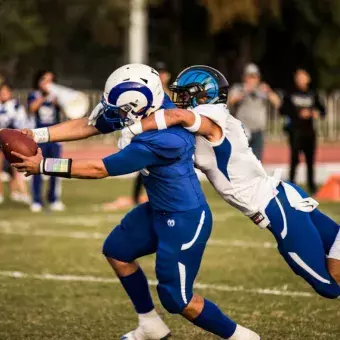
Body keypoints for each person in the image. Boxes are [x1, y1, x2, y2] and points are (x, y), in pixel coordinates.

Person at [14, 64, 259, 340]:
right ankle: (150, 326)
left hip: (184, 219)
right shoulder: (151, 105)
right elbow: (90, 124)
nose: (114, 114)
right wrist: (36, 135)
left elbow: (100, 168)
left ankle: (242, 337)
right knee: (117, 250)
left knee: (177, 300)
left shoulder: (166, 139)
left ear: (138, 106)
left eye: (119, 109)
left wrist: (43, 165)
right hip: (158, 208)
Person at [119, 65, 340, 300]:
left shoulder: (210, 117)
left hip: (277, 209)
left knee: (329, 286)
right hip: (281, 196)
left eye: (184, 94)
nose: (180, 100)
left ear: (202, 95)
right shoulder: (212, 116)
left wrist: (133, 129)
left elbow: (177, 115)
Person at [101, 62, 171, 211]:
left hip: (160, 136)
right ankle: (137, 197)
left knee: (154, 169)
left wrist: (47, 165)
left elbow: (99, 168)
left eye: (164, 72)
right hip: (147, 135)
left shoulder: (166, 97)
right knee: (144, 169)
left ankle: (155, 197)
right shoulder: (147, 94)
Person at [280, 69, 325, 194]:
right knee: (294, 159)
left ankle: (312, 187)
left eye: (303, 77)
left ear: (308, 79)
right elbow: (282, 110)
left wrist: (313, 113)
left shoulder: (313, 93)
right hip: (295, 131)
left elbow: (322, 111)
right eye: (298, 77)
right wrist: (298, 114)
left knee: (311, 160)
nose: (301, 79)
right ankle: (291, 185)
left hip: (309, 131)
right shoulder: (290, 93)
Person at [28, 70, 65, 212]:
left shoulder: (56, 96)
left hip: (55, 136)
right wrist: (44, 96)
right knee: (36, 167)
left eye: (51, 80)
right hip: (38, 136)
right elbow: (32, 108)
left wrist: (56, 98)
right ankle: (36, 199)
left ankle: (54, 198)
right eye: (45, 80)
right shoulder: (34, 95)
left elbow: (66, 109)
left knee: (56, 167)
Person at [229, 63, 281, 161]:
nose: (252, 80)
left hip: (258, 130)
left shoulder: (263, 89)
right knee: (241, 160)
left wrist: (268, 92)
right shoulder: (238, 88)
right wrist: (244, 91)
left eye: (254, 77)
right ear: (244, 77)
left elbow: (277, 102)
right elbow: (231, 101)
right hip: (242, 130)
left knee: (257, 161)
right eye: (249, 76)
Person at [0, 83, 31, 204]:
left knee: (17, 167)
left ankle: (21, 192)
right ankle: (1, 194)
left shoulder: (16, 107)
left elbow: (22, 123)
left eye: (5, 92)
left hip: (12, 141)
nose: (3, 95)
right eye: (1, 92)